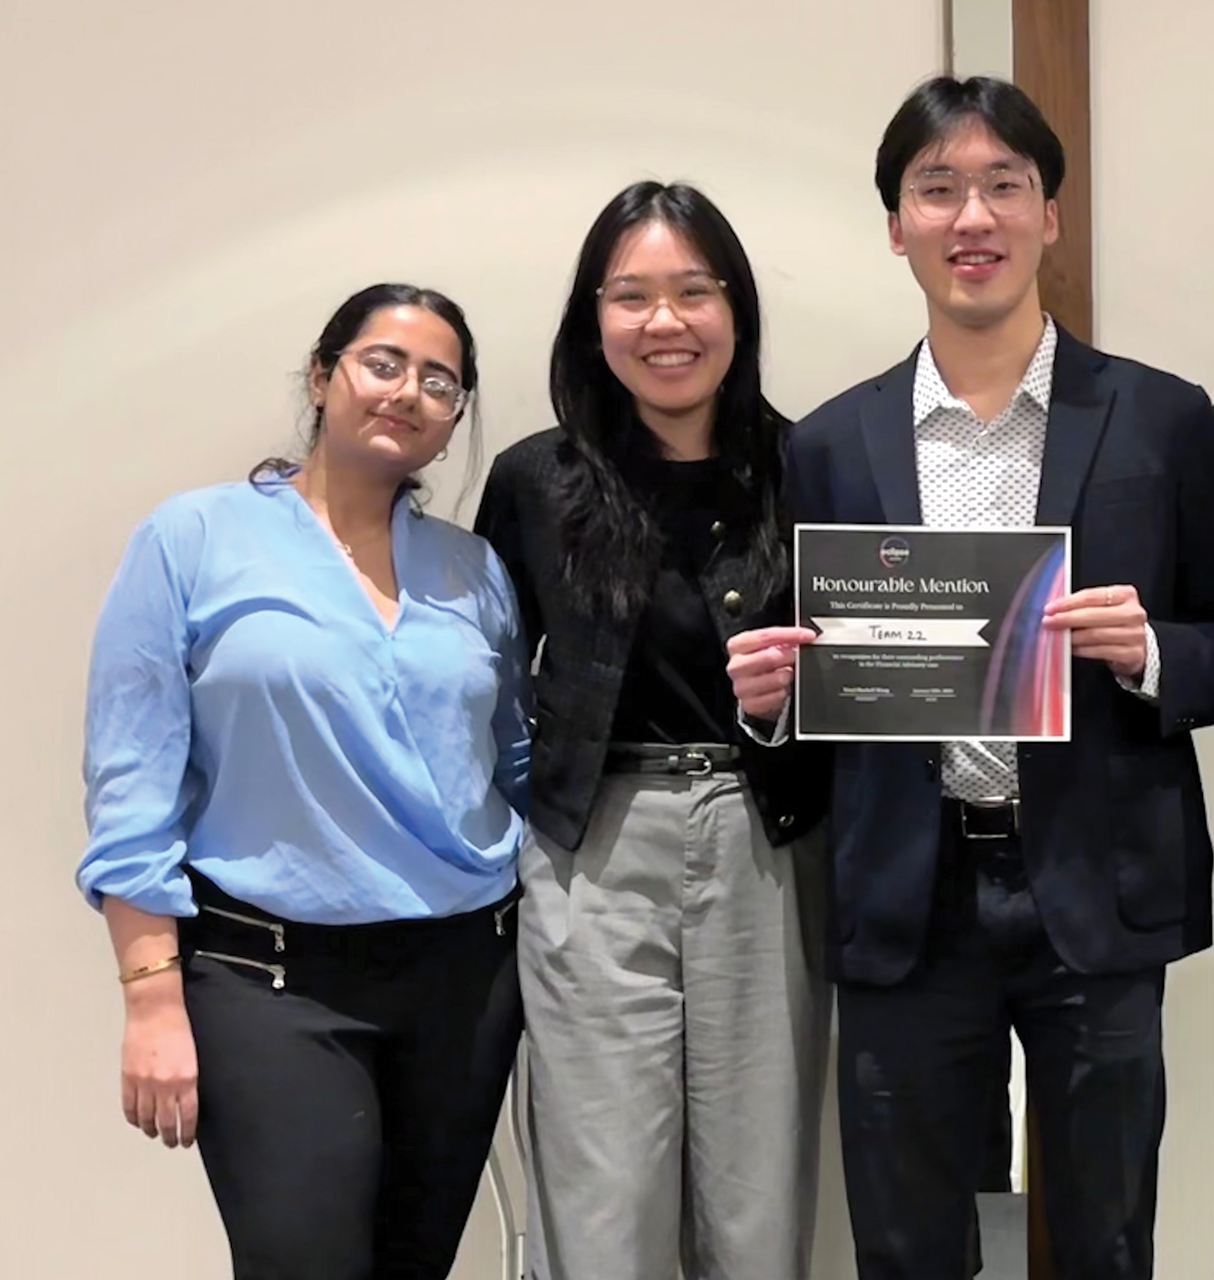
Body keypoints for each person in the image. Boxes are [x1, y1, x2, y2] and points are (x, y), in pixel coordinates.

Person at [726, 75, 1214, 1280]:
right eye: (938, 188)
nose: (974, 215)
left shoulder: (1161, 421)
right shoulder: (827, 443)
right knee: (906, 1241)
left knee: (1108, 1235)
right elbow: (817, 687)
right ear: (898, 224)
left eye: (1004, 185)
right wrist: (770, 705)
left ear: (1050, 217)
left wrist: (1153, 649)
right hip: (909, 892)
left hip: (1094, 889)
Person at [77, 283, 531, 1280]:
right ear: (324, 376)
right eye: (383, 362)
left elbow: (515, 759)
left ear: (454, 417)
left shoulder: (474, 570)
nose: (408, 391)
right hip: (269, 980)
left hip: (467, 979)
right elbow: (130, 780)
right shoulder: (190, 540)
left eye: (440, 380)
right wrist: (150, 996)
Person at [472, 180, 831, 1280]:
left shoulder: (807, 464)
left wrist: (791, 709)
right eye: (630, 296)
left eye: (691, 291)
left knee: (757, 1194)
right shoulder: (535, 480)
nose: (663, 322)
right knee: (602, 1193)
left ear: (737, 308)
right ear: (593, 319)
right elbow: (479, 681)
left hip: (765, 845)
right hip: (592, 851)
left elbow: (869, 679)